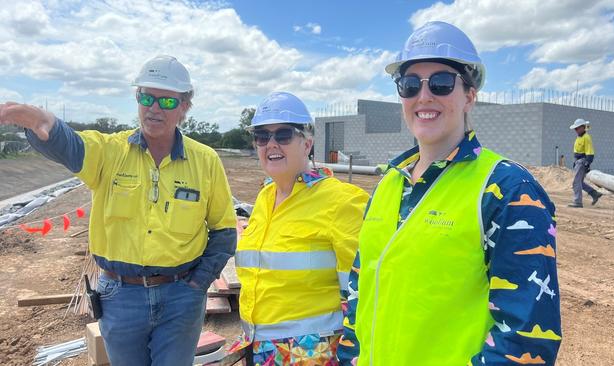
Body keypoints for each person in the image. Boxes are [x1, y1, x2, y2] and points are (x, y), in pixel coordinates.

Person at [337, 22, 562, 365]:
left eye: (441, 83)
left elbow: (525, 338)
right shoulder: (388, 185)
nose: (424, 96)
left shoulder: (506, 190)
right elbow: (359, 291)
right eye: (410, 85)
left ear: (470, 94)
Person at [0, 55, 237, 366]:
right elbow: (72, 146)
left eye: (166, 101)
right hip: (120, 297)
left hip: (181, 296)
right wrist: (43, 124)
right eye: (146, 97)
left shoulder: (205, 160)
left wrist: (198, 284)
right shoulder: (110, 151)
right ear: (137, 98)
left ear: (184, 107)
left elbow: (224, 229)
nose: (154, 107)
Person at [230, 92, 369, 365]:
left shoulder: (342, 201)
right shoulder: (265, 198)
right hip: (259, 349)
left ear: (307, 143)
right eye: (262, 136)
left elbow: (363, 292)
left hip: (310, 354)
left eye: (283, 135)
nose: (271, 144)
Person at [569, 118, 602, 207]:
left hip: (582, 161)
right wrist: (575, 161)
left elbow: (590, 152)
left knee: (576, 182)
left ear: (583, 127)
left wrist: (587, 163)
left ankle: (578, 202)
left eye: (577, 128)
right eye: (575, 129)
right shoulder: (579, 137)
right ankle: (594, 193)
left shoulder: (586, 137)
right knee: (579, 182)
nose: (575, 130)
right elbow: (577, 150)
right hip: (578, 161)